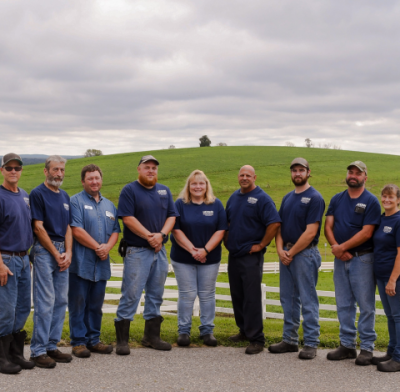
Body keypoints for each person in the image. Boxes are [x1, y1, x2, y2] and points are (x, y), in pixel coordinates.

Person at [114, 155, 179, 355]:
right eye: (147, 167)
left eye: (154, 168)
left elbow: (172, 216)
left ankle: (151, 337)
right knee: (132, 293)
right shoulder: (130, 190)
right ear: (139, 169)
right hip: (137, 251)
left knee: (155, 294)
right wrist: (150, 237)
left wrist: (161, 235)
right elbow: (127, 218)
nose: (151, 171)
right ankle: (122, 341)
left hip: (159, 252)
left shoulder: (164, 190)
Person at [325, 160, 381, 365]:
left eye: (358, 173)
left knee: (366, 305)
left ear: (366, 176)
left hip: (363, 259)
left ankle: (366, 348)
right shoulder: (337, 199)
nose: (353, 175)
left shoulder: (371, 201)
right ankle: (347, 345)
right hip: (340, 259)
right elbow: (328, 225)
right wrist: (336, 248)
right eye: (351, 172)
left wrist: (343, 248)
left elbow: (367, 232)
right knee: (344, 304)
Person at [269, 158, 325, 360]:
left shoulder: (314, 198)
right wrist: (280, 250)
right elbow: (279, 227)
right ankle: (289, 341)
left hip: (305, 254)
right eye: (294, 170)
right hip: (287, 253)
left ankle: (311, 342)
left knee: (308, 299)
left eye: (301, 170)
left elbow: (311, 232)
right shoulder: (287, 198)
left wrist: (290, 254)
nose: (297, 173)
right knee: (288, 299)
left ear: (309, 172)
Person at [225, 165, 281, 354]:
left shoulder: (262, 198)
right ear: (238, 177)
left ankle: (257, 338)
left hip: (251, 255)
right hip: (234, 254)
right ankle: (243, 331)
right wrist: (227, 241)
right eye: (241, 174)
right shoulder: (233, 197)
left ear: (255, 177)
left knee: (251, 297)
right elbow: (228, 222)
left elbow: (274, 223)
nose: (244, 177)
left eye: (248, 175)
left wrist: (261, 245)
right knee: (237, 295)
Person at [170, 170, 228, 347]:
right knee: (187, 294)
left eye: (201, 183)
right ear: (189, 186)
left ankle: (207, 331)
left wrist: (205, 250)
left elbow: (221, 230)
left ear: (206, 186)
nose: (197, 186)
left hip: (209, 259)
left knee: (207, 294)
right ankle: (184, 331)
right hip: (183, 258)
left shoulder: (216, 204)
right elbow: (175, 229)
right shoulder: (179, 204)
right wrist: (193, 250)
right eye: (194, 183)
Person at [68, 164, 120, 358]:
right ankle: (78, 342)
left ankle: (94, 340)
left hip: (101, 264)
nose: (94, 181)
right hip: (81, 263)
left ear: (101, 179)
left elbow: (115, 230)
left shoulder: (109, 205)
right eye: (90, 178)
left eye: (97, 178)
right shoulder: (75, 202)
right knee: (78, 303)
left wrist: (107, 247)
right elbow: (76, 230)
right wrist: (98, 247)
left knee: (95, 305)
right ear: (83, 181)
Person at [29, 155, 73, 368]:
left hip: (62, 251)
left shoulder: (65, 196)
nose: (59, 174)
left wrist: (69, 253)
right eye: (55, 169)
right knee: (45, 301)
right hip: (44, 251)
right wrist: (56, 254)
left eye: (62, 170)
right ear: (46, 171)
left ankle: (51, 346)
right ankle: (37, 350)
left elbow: (67, 228)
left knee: (61, 301)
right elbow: (38, 227)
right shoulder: (38, 193)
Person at [0, 153, 34, 374]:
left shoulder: (24, 195)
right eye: (9, 167)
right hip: (6, 259)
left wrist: (27, 257)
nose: (14, 171)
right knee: (6, 309)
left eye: (17, 168)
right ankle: (2, 358)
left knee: (22, 307)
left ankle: (15, 353)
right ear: (2, 170)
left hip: (23, 259)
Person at [371, 184, 400, 372]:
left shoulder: (398, 220)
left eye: (391, 197)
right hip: (380, 275)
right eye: (384, 196)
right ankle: (391, 351)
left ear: (398, 200)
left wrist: (392, 279)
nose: (386, 200)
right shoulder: (382, 219)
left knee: (398, 316)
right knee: (390, 316)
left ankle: (398, 358)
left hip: (394, 277)